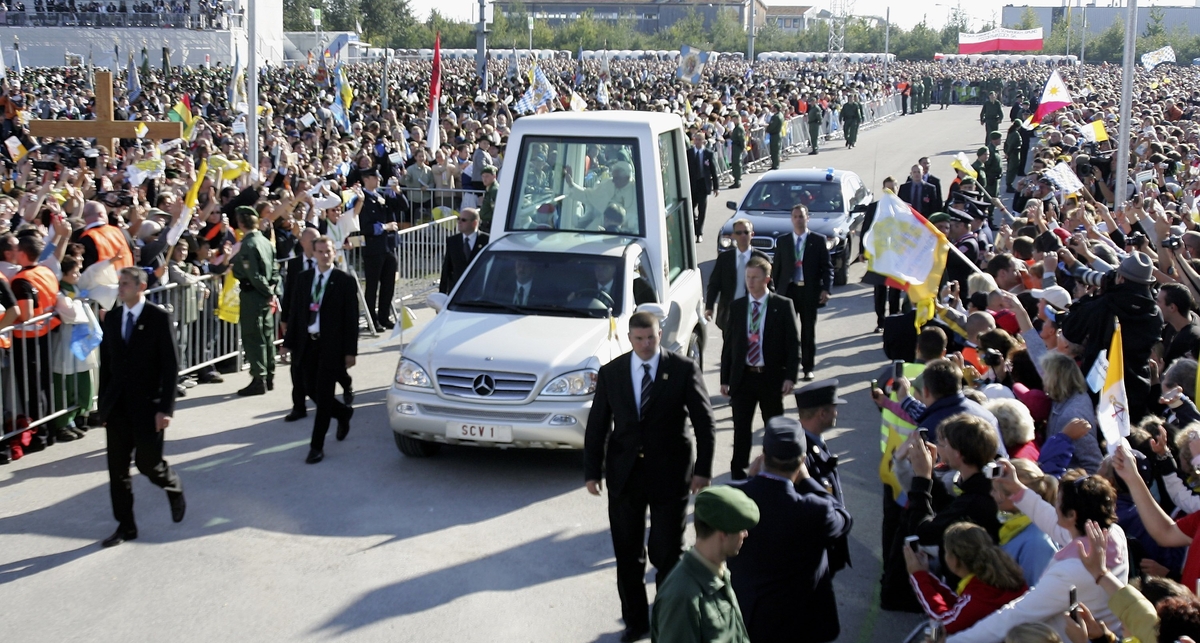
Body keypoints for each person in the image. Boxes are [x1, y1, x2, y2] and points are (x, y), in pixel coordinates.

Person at [584, 311, 716, 643]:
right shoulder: (612, 373)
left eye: (651, 338)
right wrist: (592, 472)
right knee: (627, 553)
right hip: (625, 475)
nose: (645, 344)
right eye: (639, 339)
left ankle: (667, 621)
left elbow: (704, 422)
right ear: (629, 338)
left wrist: (703, 470)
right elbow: (597, 426)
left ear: (660, 334)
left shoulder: (683, 369)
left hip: (670, 474)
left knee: (667, 552)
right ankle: (636, 622)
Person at [953, 463, 1129, 642]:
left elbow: (1015, 615)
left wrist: (954, 641)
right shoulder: (1112, 534)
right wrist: (1017, 490)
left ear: (1072, 515)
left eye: (1058, 501)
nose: (1054, 505)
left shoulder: (1071, 571)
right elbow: (1052, 522)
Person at [728, 417, 853, 643]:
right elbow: (843, 518)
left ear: (763, 455)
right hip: (801, 625)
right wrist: (807, 481)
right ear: (802, 461)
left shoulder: (732, 498)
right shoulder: (815, 510)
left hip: (749, 619)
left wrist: (751, 480)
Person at [96, 266, 185, 547]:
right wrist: (103, 407)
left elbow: (170, 366)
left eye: (125, 283)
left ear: (141, 287)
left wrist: (165, 409)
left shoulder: (157, 318)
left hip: (148, 406)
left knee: (148, 464)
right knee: (118, 471)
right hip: (118, 406)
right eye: (119, 283)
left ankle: (172, 485)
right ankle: (126, 526)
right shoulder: (112, 318)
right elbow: (107, 365)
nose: (120, 288)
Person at [719, 257, 800, 480]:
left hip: (770, 378)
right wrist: (725, 379)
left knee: (773, 429)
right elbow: (729, 345)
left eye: (755, 277)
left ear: (767, 279)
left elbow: (793, 345)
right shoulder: (738, 307)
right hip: (744, 377)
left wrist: (790, 377)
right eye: (748, 277)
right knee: (741, 429)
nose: (750, 282)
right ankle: (738, 475)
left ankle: (773, 472)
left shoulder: (782, 306)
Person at [282, 236, 358, 465]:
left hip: (331, 346)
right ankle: (342, 413)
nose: (325, 255)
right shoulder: (304, 279)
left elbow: (351, 319)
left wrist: (350, 351)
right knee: (308, 388)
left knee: (324, 397)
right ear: (313, 253)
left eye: (328, 251)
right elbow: (296, 313)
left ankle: (316, 447)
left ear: (334, 252)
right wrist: (287, 342)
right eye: (320, 251)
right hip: (307, 344)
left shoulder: (344, 281)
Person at [649, 485, 758, 643]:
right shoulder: (682, 597)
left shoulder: (717, 570)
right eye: (741, 529)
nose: (745, 534)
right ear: (723, 534)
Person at [905, 522, 1028, 634]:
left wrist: (917, 576)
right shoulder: (999, 579)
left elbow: (943, 622)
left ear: (955, 560)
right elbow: (958, 607)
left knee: (934, 633)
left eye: (946, 551)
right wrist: (925, 576)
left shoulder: (978, 597)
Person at [770, 204, 832, 381]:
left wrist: (826, 289)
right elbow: (777, 269)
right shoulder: (783, 241)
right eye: (795, 216)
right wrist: (775, 291)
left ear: (807, 218)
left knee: (808, 331)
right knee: (787, 331)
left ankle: (808, 367)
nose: (798, 220)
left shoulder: (818, 240)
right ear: (791, 219)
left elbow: (827, 268)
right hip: (789, 291)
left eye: (801, 216)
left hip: (809, 291)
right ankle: (786, 367)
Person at [10, 234, 60, 449]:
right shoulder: (46, 272)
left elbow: (26, 314)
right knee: (45, 386)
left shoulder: (21, 280)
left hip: (27, 339)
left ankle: (39, 436)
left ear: (22, 253)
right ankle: (50, 432)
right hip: (45, 333)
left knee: (32, 390)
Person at [794, 379, 849, 573]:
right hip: (816, 554)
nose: (837, 413)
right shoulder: (802, 453)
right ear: (822, 413)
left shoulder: (812, 442)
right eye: (834, 408)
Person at [230, 206, 279, 396]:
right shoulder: (265, 241)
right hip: (264, 294)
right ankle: (269, 375)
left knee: (253, 336)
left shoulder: (248, 244)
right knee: (267, 335)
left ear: (241, 223)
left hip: (253, 295)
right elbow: (274, 269)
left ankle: (259, 378)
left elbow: (254, 275)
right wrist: (272, 289)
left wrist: (267, 292)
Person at [354, 167, 402, 331]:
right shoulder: (361, 199)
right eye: (375, 177)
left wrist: (397, 191)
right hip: (373, 248)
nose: (379, 179)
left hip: (388, 246)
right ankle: (372, 320)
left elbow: (402, 206)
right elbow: (364, 226)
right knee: (372, 286)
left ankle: (384, 316)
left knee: (388, 284)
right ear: (366, 179)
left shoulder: (381, 196)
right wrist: (384, 227)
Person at [705, 218, 770, 332]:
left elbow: (769, 286)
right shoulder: (724, 259)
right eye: (739, 233)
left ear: (752, 234)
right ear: (733, 236)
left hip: (754, 312)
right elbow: (714, 284)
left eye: (746, 232)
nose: (743, 236)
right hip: (729, 312)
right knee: (730, 343)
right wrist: (709, 307)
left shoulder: (762, 258)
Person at [439, 207, 488, 295]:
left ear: (474, 223)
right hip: (457, 293)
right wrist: (442, 294)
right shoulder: (453, 241)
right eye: (458, 219)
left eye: (463, 220)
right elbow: (447, 269)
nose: (459, 222)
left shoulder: (486, 241)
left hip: (480, 292)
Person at [687, 131, 719, 243]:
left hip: (703, 185)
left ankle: (699, 233)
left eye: (700, 140)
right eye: (696, 139)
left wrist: (716, 187)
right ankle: (695, 226)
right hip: (692, 185)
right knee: (690, 208)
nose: (697, 142)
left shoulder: (708, 154)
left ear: (704, 141)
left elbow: (713, 171)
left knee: (702, 209)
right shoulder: (689, 153)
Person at [478, 165, 498, 230]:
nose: (484, 179)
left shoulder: (494, 190)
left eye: (487, 176)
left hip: (491, 224)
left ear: (494, 176)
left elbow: (495, 210)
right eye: (483, 176)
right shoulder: (489, 189)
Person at [728, 115, 745, 188]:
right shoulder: (736, 127)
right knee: (735, 163)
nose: (733, 121)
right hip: (735, 146)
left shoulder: (739, 128)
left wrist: (743, 147)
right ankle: (736, 179)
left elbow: (741, 138)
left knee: (737, 163)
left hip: (737, 146)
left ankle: (737, 180)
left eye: (735, 119)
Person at [766, 103, 783, 170]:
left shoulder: (775, 117)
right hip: (778, 134)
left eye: (773, 108)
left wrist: (767, 129)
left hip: (775, 135)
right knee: (777, 149)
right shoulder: (781, 115)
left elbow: (772, 126)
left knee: (774, 150)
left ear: (775, 108)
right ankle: (776, 164)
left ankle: (775, 165)